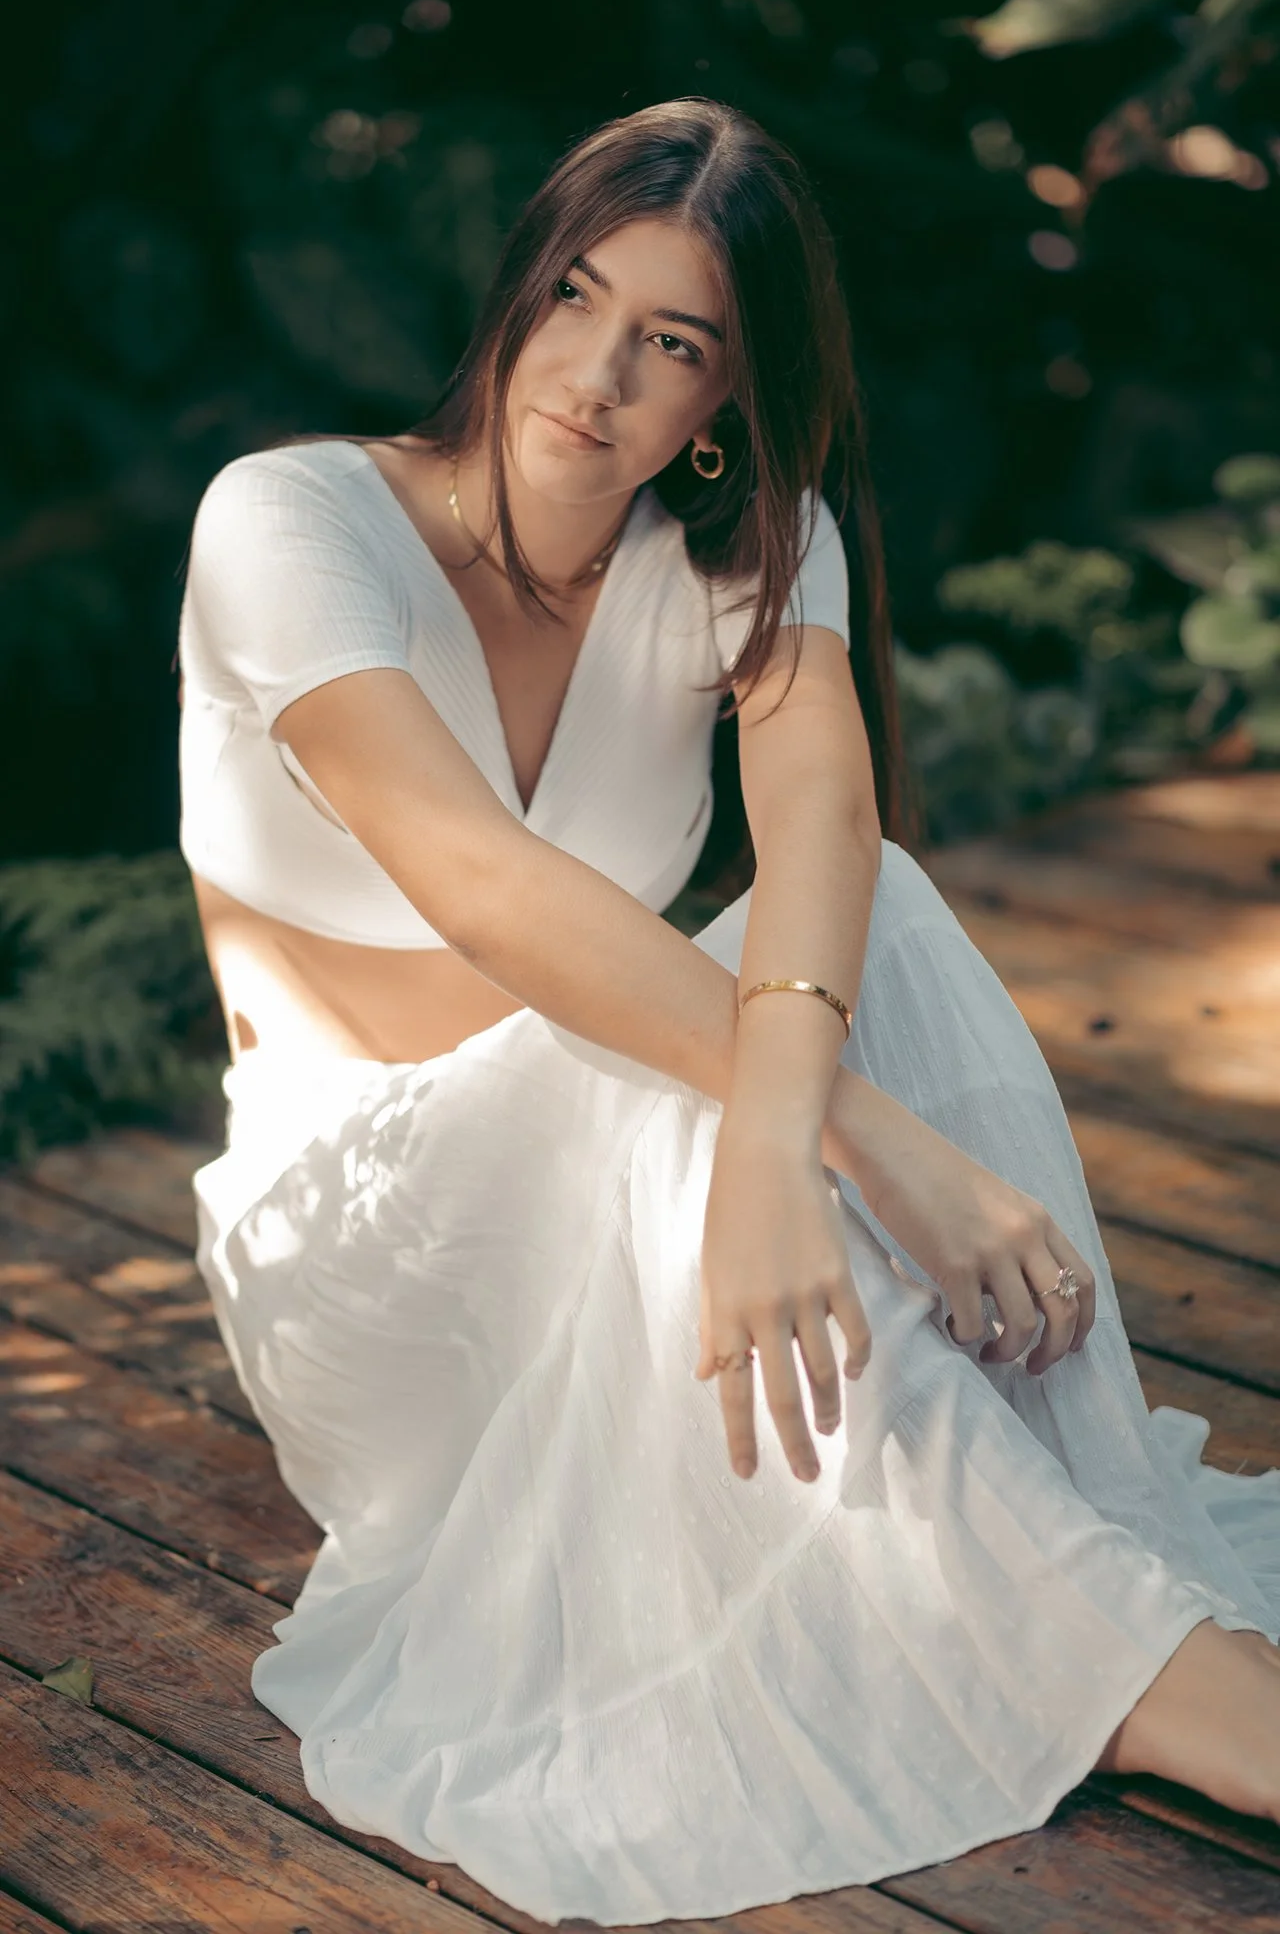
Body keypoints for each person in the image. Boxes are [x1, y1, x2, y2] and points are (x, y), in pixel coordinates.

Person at [179, 97, 1280, 1926]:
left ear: (729, 404)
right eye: (577, 298)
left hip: (624, 1151)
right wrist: (836, 1137)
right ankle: (1185, 1700)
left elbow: (832, 822)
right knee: (704, 1072)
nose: (595, 376)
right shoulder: (288, 521)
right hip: (374, 1252)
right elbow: (487, 890)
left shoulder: (746, 544)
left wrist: (789, 1124)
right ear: (522, 290)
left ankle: (1075, 1606)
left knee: (869, 933)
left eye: (673, 343)